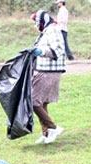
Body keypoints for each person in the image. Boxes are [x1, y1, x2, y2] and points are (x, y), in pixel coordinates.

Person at [30, 10, 66, 144]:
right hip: (43, 70)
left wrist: (41, 52)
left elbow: (58, 49)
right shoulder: (46, 31)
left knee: (33, 101)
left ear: (42, 21)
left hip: (48, 72)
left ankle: (53, 128)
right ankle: (46, 134)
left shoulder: (53, 30)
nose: (35, 26)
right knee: (42, 103)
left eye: (36, 22)